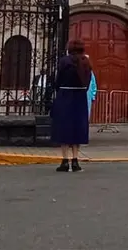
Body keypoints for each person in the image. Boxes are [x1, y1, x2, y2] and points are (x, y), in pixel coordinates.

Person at [51, 40, 92, 172]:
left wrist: (59, 89)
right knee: (77, 127)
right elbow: (88, 80)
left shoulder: (64, 61)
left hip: (65, 94)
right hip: (79, 96)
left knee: (64, 127)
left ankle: (64, 160)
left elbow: (58, 79)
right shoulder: (86, 62)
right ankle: (75, 160)